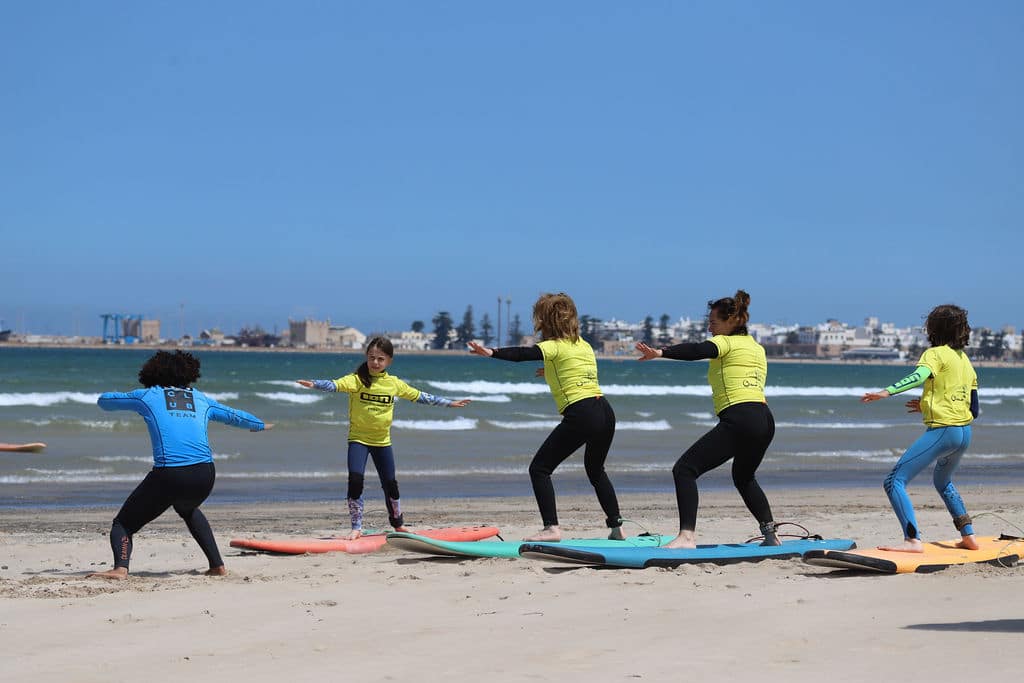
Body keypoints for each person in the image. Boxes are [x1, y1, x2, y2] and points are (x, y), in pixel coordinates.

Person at [88, 350, 271, 580]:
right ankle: (217, 566)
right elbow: (234, 416)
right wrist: (260, 425)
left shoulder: (148, 396)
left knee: (123, 524)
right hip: (205, 475)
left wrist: (120, 397)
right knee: (188, 508)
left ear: (152, 372)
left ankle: (120, 569)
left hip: (171, 475)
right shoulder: (200, 399)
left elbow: (105, 401)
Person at [468, 292, 624, 542]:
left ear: (545, 321)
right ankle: (617, 527)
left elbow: (522, 354)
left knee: (539, 469)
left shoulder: (552, 346)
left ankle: (551, 528)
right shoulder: (583, 344)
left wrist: (490, 352)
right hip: (604, 411)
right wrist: (550, 371)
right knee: (596, 469)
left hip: (582, 412)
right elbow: (575, 370)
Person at [635, 290, 779, 549]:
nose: (710, 328)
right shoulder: (757, 348)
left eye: (713, 323)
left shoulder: (726, 343)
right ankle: (770, 535)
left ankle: (687, 536)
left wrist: (660, 352)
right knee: (744, 477)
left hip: (740, 417)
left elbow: (696, 351)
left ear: (732, 321)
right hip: (764, 419)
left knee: (685, 470)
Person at [297, 336, 470, 540]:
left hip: (382, 442)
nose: (375, 362)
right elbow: (335, 385)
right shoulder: (356, 380)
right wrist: (314, 384)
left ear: (389, 361)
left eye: (380, 358)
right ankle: (356, 527)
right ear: (366, 357)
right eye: (372, 358)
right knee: (355, 480)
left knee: (390, 484)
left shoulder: (393, 384)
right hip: (359, 439)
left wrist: (449, 403)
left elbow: (419, 396)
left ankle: (398, 524)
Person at [861, 304, 980, 553]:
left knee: (894, 481)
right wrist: (927, 405)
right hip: (964, 433)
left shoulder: (934, 354)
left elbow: (919, 376)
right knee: (943, 481)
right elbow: (973, 409)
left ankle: (912, 540)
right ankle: (968, 536)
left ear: (934, 328)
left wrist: (886, 392)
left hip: (944, 432)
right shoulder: (964, 360)